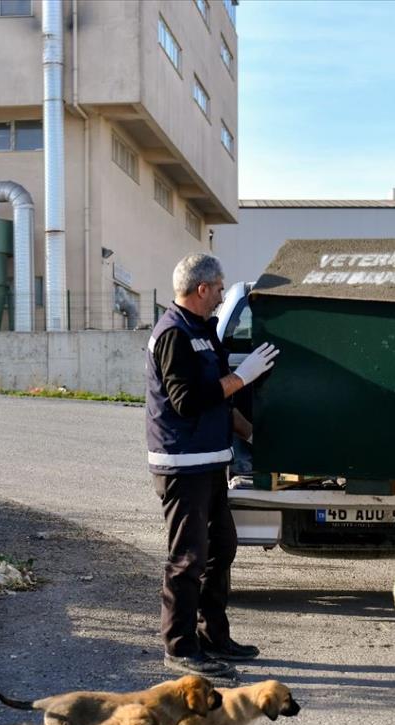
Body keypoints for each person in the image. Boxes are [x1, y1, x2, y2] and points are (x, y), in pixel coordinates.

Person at [146, 253, 280, 678]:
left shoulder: (203, 332)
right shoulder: (173, 334)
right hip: (182, 466)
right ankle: (181, 646)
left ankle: (213, 636)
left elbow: (221, 403)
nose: (223, 296)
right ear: (201, 288)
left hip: (211, 463)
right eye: (220, 288)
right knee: (188, 558)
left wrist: (253, 435)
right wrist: (244, 377)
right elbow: (187, 401)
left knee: (221, 548)